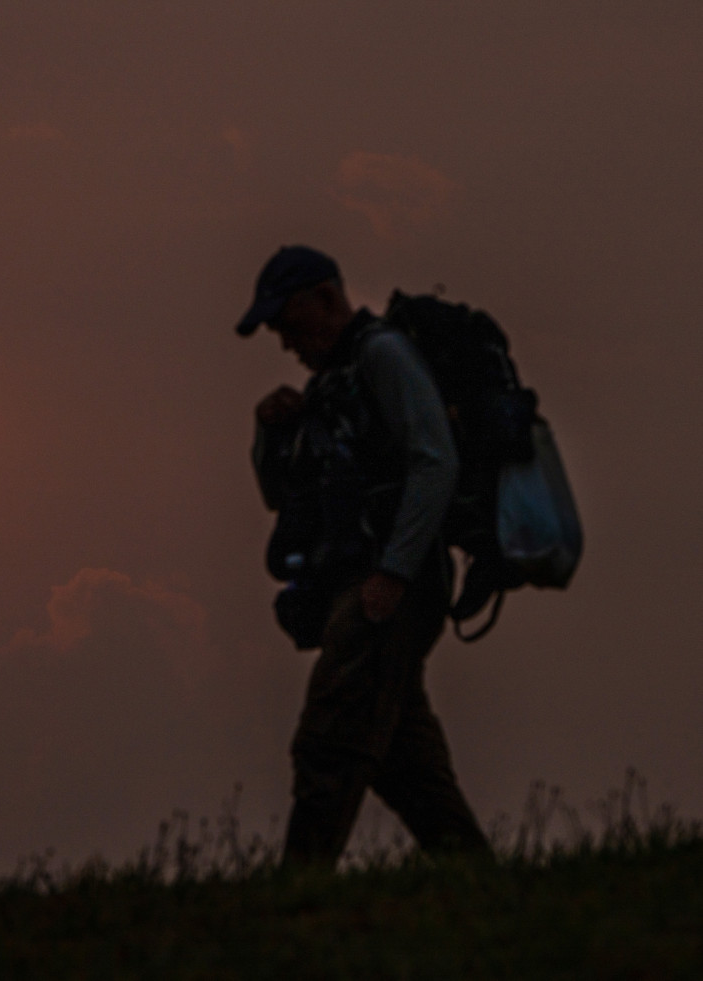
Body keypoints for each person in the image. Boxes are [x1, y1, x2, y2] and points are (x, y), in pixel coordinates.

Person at [236, 245, 490, 868]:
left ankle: (298, 889)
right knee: (409, 764)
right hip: (364, 579)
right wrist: (271, 431)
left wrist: (394, 573)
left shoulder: (382, 355)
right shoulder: (330, 385)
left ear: (326, 298)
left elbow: (436, 461)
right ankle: (478, 880)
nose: (285, 341)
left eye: (288, 322)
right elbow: (280, 496)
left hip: (390, 583)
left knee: (332, 732)